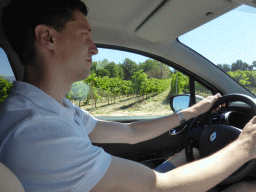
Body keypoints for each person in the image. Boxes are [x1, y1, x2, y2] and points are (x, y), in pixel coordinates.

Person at [0, 0, 256, 191]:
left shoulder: (54, 108)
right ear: (47, 38)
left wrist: (192, 113)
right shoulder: (37, 130)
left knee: (190, 154)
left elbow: (130, 133)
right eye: (85, 36)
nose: (95, 48)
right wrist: (245, 146)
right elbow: (158, 188)